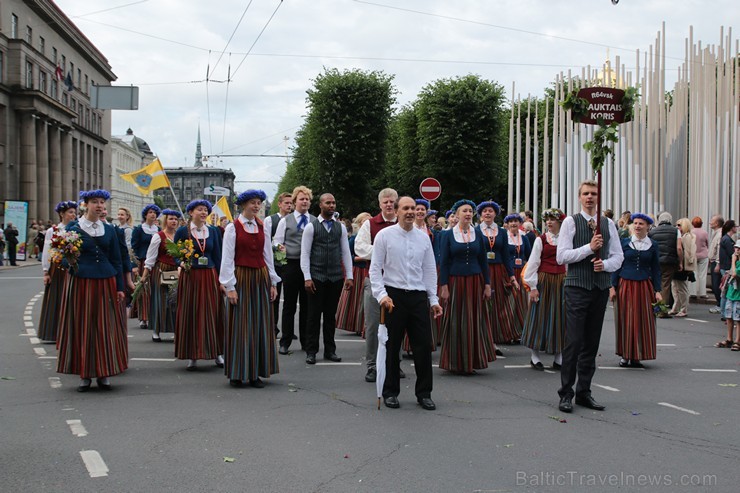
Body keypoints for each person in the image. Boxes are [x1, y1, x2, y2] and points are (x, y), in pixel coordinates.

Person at [556, 180, 623, 413]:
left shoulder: (608, 224)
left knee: (591, 343)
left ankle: (584, 391)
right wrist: (588, 247)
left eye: (594, 193)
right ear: (579, 197)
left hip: (600, 288)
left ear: (599, 196)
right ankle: (566, 393)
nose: (590, 197)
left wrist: (604, 265)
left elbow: (618, 256)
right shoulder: (570, 222)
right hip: (576, 287)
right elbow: (561, 256)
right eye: (585, 193)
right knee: (574, 341)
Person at [370, 196, 442, 410]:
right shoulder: (385, 235)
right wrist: (382, 295)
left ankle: (424, 393)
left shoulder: (423, 238)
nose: (410, 211)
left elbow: (429, 270)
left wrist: (433, 299)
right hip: (394, 296)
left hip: (418, 296)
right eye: (406, 208)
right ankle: (390, 392)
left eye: (413, 208)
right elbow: (375, 269)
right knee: (392, 347)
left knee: (422, 346)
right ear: (397, 210)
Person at [56, 190, 126, 391]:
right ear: (85, 204)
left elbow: (116, 259)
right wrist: (70, 260)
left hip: (105, 281)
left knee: (105, 326)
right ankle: (85, 374)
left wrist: (120, 287)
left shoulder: (109, 230)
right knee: (83, 325)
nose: (99, 205)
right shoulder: (74, 227)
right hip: (81, 282)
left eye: (102, 202)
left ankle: (104, 372)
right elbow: (62, 256)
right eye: (94, 201)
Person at [220, 190, 281, 387]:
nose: (256, 206)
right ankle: (237, 373)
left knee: (259, 324)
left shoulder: (262, 226)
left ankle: (255, 372)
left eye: (259, 203)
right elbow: (227, 258)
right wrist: (230, 286)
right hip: (242, 277)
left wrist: (272, 282)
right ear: (244, 204)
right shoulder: (232, 228)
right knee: (240, 325)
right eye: (253, 203)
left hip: (259, 277)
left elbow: (267, 256)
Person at [438, 199, 494, 374]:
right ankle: (455, 362)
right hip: (456, 281)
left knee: (474, 319)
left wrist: (486, 284)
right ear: (456, 214)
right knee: (455, 319)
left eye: (470, 211)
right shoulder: (447, 235)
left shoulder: (477, 233)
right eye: (465, 211)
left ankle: (473, 360)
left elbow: (483, 261)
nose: (468, 214)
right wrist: (444, 285)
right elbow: (444, 262)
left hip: (474, 281)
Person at [300, 193, 353, 364]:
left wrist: (349, 276)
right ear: (320, 205)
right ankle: (311, 351)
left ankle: (330, 350)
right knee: (313, 316)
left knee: (331, 316)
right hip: (316, 276)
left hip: (335, 277)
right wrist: (307, 277)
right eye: (328, 203)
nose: (332, 205)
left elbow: (346, 252)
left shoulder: (341, 228)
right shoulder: (311, 227)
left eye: (333, 202)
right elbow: (305, 254)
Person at [174, 199, 225, 371]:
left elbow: (218, 256)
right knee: (191, 313)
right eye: (200, 210)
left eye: (205, 210)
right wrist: (181, 263)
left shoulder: (213, 231)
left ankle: (217, 353)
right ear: (191, 212)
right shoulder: (183, 231)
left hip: (209, 275)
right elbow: (175, 253)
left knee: (212, 313)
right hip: (191, 276)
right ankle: (192, 355)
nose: (203, 213)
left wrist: (222, 281)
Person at [355, 188, 398, 383]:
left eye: (392, 202)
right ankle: (372, 365)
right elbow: (360, 247)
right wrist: (385, 252)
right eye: (386, 202)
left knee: (396, 325)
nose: (389, 205)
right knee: (373, 325)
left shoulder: (403, 223)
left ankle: (394, 364)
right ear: (380, 204)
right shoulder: (370, 224)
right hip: (374, 280)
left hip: (398, 282)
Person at [609, 213, 661, 368]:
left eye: (641, 224)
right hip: (625, 283)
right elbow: (616, 265)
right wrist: (613, 286)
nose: (638, 226)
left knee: (642, 320)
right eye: (636, 223)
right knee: (626, 319)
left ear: (647, 227)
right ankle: (625, 355)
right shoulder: (625, 242)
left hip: (644, 285)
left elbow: (656, 269)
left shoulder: (653, 245)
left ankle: (637, 354)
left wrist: (657, 290)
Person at [521, 208, 567, 370]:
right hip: (544, 281)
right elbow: (533, 263)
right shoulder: (541, 240)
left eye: (552, 219)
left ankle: (558, 356)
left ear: (560, 222)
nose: (549, 222)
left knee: (560, 317)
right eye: (547, 220)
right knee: (539, 316)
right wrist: (532, 287)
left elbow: (568, 262)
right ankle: (535, 356)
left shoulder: (567, 240)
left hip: (561, 281)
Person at [273, 186, 315, 354]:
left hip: (310, 268)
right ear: (295, 202)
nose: (304, 202)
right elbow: (276, 241)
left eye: (307, 199)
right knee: (289, 305)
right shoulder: (286, 220)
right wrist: (281, 254)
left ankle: (306, 341)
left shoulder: (314, 220)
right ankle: (285, 341)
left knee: (307, 306)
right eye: (302, 199)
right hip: (291, 265)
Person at [476, 200, 516, 353]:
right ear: (481, 214)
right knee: (482, 305)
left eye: (490, 211)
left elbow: (506, 255)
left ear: (495, 214)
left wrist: (512, 276)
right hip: (481, 271)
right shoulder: (476, 230)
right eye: (485, 211)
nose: (487, 213)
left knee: (496, 306)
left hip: (498, 271)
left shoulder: (501, 232)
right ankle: (481, 339)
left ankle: (492, 340)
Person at [38, 201, 78, 342]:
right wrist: (46, 272)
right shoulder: (53, 230)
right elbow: (47, 252)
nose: (73, 215)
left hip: (73, 266)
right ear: (62, 214)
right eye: (70, 212)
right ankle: (54, 332)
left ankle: (71, 331)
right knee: (57, 298)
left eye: (74, 212)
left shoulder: (77, 229)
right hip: (58, 268)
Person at [141, 209, 181, 342]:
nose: (174, 221)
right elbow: (150, 257)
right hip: (161, 271)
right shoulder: (158, 236)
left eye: (176, 219)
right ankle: (156, 330)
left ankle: (176, 330)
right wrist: (144, 275)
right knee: (161, 301)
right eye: (171, 219)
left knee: (175, 301)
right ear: (165, 220)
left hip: (177, 271)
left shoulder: (180, 236)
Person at [336, 212, 372, 336]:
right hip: (358, 271)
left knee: (367, 301)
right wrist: (362, 258)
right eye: (364, 222)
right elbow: (348, 256)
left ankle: (365, 326)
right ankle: (355, 324)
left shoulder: (374, 237)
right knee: (357, 300)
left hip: (369, 271)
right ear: (360, 223)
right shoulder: (354, 238)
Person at [264, 192, 294, 337]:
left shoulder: (295, 220)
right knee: (274, 298)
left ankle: (288, 330)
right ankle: (273, 327)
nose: (289, 205)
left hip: (290, 264)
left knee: (290, 299)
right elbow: (266, 242)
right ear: (279, 204)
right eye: (287, 203)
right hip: (275, 263)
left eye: (291, 203)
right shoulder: (271, 220)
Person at [131, 204, 161, 330]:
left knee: (155, 288)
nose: (152, 214)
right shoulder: (138, 229)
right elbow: (134, 248)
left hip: (157, 262)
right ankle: (143, 317)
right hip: (143, 262)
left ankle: (154, 316)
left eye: (154, 212)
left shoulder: (158, 229)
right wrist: (135, 265)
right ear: (145, 214)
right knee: (144, 289)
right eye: (150, 212)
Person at [648, 212, 682, 315]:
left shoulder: (653, 231)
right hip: (669, 261)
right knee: (665, 286)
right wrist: (680, 262)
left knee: (654, 283)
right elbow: (679, 248)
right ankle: (662, 310)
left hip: (655, 261)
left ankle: (651, 307)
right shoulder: (676, 231)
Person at [505, 213, 532, 342]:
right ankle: (508, 332)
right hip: (508, 272)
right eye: (511, 221)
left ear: (520, 223)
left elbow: (529, 255)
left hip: (521, 272)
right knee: (509, 302)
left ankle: (520, 331)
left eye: (516, 221)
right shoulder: (504, 237)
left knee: (521, 303)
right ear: (507, 224)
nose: (513, 224)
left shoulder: (524, 238)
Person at [669, 218, 696, 317]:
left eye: (679, 225)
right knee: (675, 288)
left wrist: (685, 265)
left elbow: (688, 253)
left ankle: (683, 309)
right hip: (678, 264)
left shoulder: (687, 236)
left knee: (681, 288)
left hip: (682, 265)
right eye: (677, 225)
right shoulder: (680, 235)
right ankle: (676, 307)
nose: (677, 227)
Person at [716, 240, 740, 351]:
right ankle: (729, 339)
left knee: (738, 318)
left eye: (739, 249)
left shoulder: (736, 263)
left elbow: (735, 273)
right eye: (736, 248)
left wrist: (733, 262)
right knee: (729, 316)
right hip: (731, 293)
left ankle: (737, 341)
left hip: (738, 295)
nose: (737, 251)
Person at [718, 219, 737, 320]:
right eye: (735, 226)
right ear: (732, 228)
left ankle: (724, 313)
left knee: (725, 290)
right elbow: (731, 254)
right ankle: (724, 313)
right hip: (727, 267)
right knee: (726, 291)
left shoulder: (725, 238)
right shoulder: (727, 240)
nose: (737, 228)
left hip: (724, 266)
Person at [708, 215, 725, 313]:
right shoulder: (716, 233)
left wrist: (718, 263)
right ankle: (719, 304)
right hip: (713, 261)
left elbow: (719, 249)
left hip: (716, 262)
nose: (710, 222)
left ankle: (720, 305)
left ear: (717, 223)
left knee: (716, 284)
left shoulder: (720, 234)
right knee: (715, 284)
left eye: (712, 220)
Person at [689, 217, 709, 299]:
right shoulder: (705, 232)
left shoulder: (691, 232)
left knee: (694, 273)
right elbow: (708, 243)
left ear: (692, 224)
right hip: (703, 255)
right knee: (702, 275)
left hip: (693, 255)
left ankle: (692, 292)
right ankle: (702, 293)